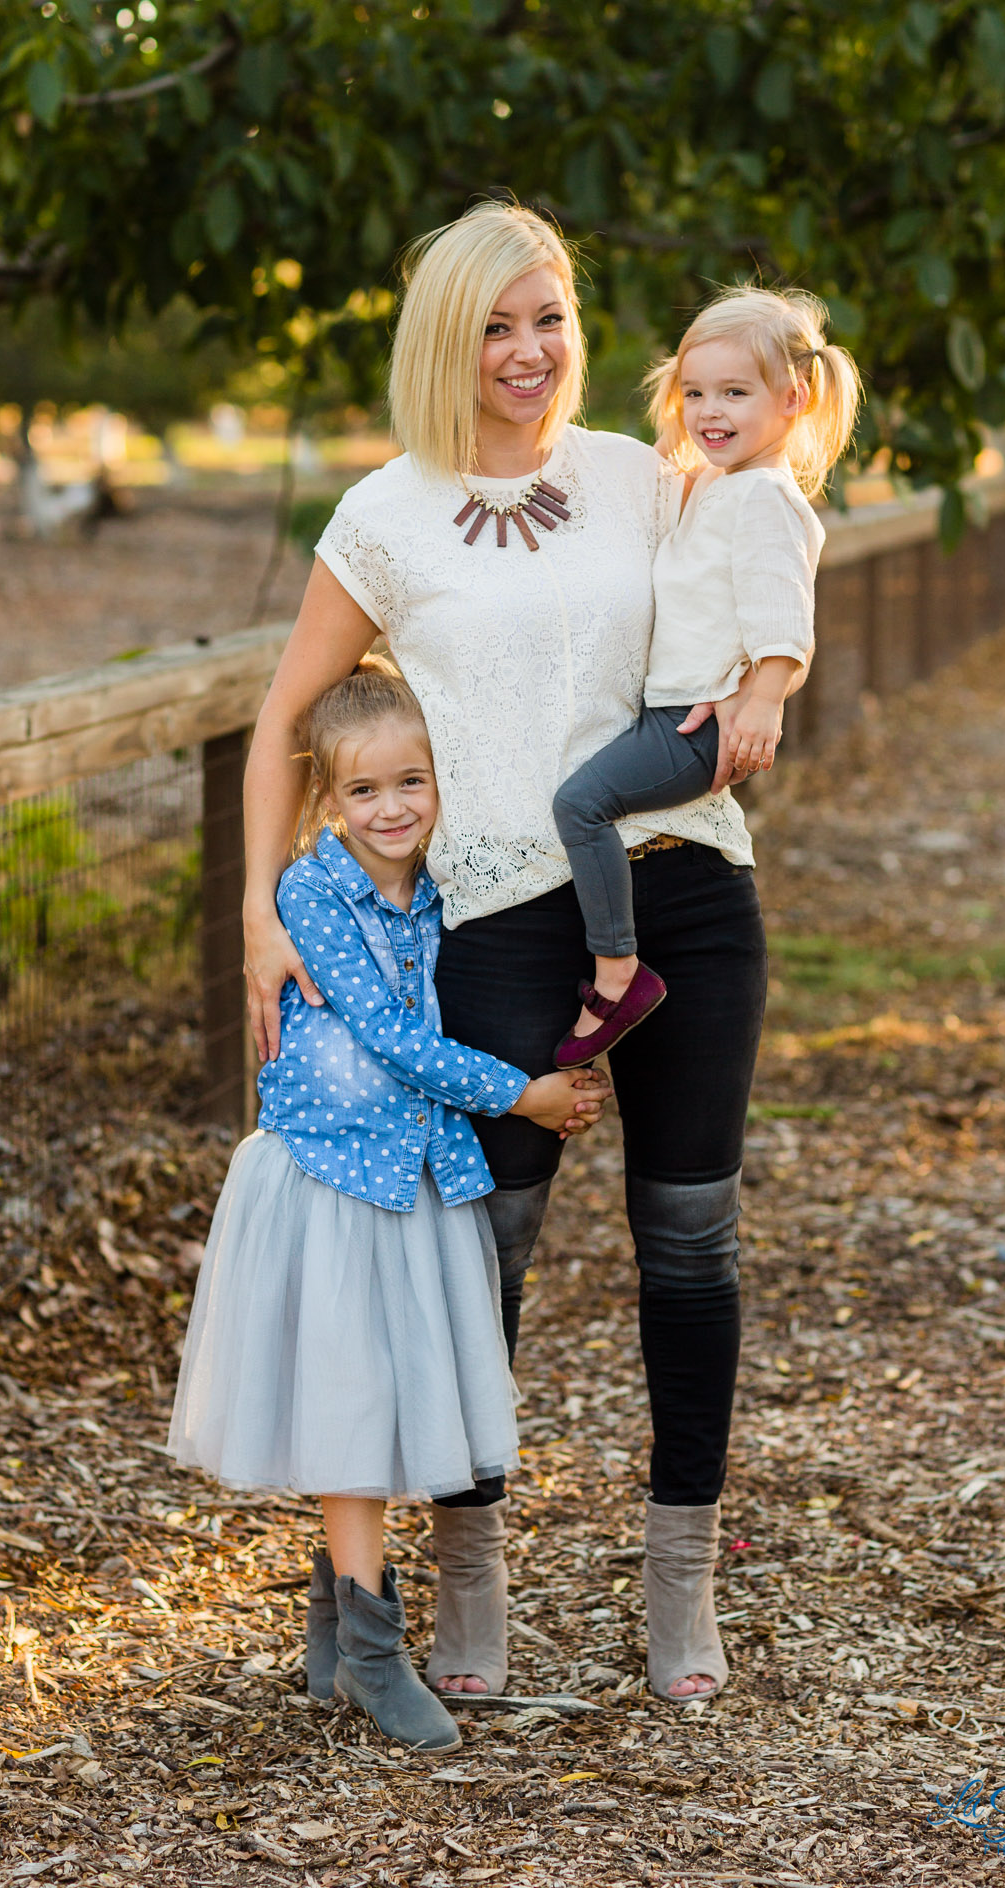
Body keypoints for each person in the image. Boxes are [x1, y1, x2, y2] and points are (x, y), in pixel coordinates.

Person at [243, 201, 777, 1703]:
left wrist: (773, 679)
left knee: (691, 1239)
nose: (528, 350)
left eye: (548, 318)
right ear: (445, 337)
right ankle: (469, 1574)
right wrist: (257, 917)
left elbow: (769, 542)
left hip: (687, 891)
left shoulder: (645, 475)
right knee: (482, 1254)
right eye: (495, 324)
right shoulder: (385, 515)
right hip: (498, 919)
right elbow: (286, 721)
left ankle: (683, 1588)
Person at [169, 660, 608, 1751]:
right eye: (364, 790)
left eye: (412, 781)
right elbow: (391, 1037)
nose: (392, 808)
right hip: (332, 1179)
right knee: (353, 1405)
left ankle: (332, 1635)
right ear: (327, 797)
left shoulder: (444, 886)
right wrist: (524, 1094)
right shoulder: (311, 894)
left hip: (412, 1173)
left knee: (378, 1392)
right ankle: (374, 1651)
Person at [550, 287, 860, 1068]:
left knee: (580, 804)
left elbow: (783, 618)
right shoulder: (722, 483)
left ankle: (617, 972)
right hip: (675, 709)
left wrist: (762, 702)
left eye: (733, 392)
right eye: (693, 393)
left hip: (691, 725)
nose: (708, 411)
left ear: (793, 398)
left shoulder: (764, 499)